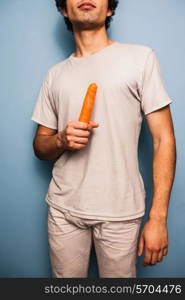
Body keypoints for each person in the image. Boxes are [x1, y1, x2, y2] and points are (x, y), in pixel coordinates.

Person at [31, 0, 176, 278]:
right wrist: (61, 140)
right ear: (64, 9)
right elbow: (40, 146)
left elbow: (163, 140)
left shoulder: (140, 58)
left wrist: (158, 218)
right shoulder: (55, 75)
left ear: (110, 8)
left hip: (121, 210)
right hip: (63, 209)